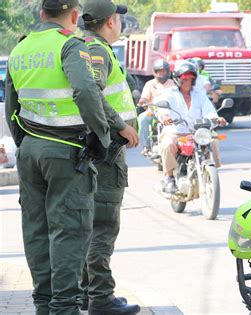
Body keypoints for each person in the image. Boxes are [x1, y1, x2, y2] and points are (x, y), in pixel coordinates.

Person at [5, 0, 111, 313]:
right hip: (65, 152)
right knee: (69, 231)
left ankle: (42, 305)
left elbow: (11, 104)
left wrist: (23, 143)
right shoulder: (69, 45)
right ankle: (64, 308)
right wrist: (101, 136)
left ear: (41, 13)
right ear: (75, 15)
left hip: (30, 151)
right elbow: (86, 91)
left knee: (36, 229)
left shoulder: (20, 49)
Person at [80, 0, 140, 314]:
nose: (120, 22)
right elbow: (92, 92)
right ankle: (101, 298)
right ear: (109, 22)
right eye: (117, 17)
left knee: (91, 225)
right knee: (102, 226)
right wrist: (122, 127)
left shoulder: (87, 47)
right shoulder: (98, 50)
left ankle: (88, 294)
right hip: (106, 152)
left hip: (98, 150)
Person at [158, 62, 226, 192]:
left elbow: (209, 110)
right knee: (167, 144)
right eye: (184, 79)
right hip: (175, 131)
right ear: (178, 79)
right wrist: (165, 117)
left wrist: (217, 118)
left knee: (213, 140)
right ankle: (170, 177)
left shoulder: (199, 93)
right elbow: (162, 110)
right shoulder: (169, 93)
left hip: (197, 131)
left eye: (190, 79)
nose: (187, 82)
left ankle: (210, 170)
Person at [137, 59, 174, 155]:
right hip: (153, 111)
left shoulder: (173, 84)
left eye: (163, 71)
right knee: (142, 118)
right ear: (155, 72)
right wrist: (142, 101)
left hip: (171, 112)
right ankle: (146, 146)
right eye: (159, 71)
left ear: (167, 71)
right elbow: (144, 97)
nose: (161, 73)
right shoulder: (150, 84)